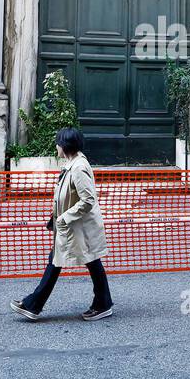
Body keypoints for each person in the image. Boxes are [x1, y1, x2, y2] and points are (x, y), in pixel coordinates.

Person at [11, 128, 114, 321]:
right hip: (73, 226)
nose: (56, 146)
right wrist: (55, 217)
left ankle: (34, 304)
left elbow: (88, 200)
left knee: (83, 260)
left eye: (58, 142)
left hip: (78, 227)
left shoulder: (78, 167)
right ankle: (102, 303)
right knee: (76, 260)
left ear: (65, 145)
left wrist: (64, 218)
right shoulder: (72, 164)